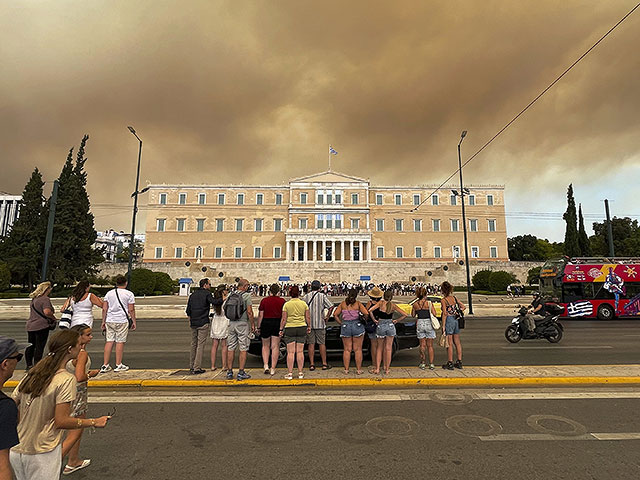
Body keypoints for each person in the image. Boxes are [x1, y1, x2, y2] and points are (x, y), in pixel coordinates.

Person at [10, 330, 109, 480]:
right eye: (78, 345)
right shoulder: (66, 379)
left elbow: (13, 404)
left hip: (17, 449)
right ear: (70, 349)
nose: (80, 348)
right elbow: (61, 421)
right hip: (43, 451)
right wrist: (94, 422)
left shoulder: (33, 373)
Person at [61, 324, 100, 475]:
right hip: (78, 392)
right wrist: (91, 374)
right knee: (77, 429)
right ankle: (65, 461)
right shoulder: (81, 353)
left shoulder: (68, 351)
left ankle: (73, 460)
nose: (91, 337)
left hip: (68, 390)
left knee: (72, 428)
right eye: (88, 335)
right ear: (80, 337)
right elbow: (80, 376)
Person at [0, 337, 29, 480]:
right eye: (18, 357)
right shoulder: (5, 406)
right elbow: (1, 465)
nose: (18, 362)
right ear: (5, 364)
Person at [100, 275, 136, 373]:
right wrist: (133, 321)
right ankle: (118, 364)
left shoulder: (109, 293)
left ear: (116, 283)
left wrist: (103, 321)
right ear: (126, 283)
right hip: (122, 320)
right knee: (120, 342)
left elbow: (104, 308)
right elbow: (131, 309)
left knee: (109, 341)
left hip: (110, 319)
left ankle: (105, 364)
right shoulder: (129, 294)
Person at [368, 290, 407, 375]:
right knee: (388, 348)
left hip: (381, 325)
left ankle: (377, 368)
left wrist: (374, 320)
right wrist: (397, 320)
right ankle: (387, 369)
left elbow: (370, 310)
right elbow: (405, 314)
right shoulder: (393, 305)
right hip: (390, 325)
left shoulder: (381, 303)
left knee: (379, 348)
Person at [333, 288, 369, 375]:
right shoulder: (358, 304)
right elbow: (366, 313)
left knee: (347, 349)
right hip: (357, 325)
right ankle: (359, 369)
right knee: (358, 349)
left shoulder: (343, 304)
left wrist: (341, 323)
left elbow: (335, 314)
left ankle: (346, 369)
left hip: (346, 326)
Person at [225, 278, 255, 381]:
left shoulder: (230, 295)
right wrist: (252, 324)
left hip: (232, 323)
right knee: (243, 348)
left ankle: (229, 371)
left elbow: (225, 307)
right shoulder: (246, 296)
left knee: (231, 347)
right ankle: (241, 372)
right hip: (242, 323)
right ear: (245, 286)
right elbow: (250, 312)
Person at [279, 286, 310, 379]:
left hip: (290, 328)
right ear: (299, 293)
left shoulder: (286, 305)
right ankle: (300, 372)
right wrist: (309, 326)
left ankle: (290, 373)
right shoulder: (304, 304)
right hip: (301, 326)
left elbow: (284, 319)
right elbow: (307, 317)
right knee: (300, 351)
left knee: (290, 352)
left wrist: (281, 329)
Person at [185, 278, 215, 374]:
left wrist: (191, 319)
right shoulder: (207, 294)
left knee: (193, 344)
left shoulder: (193, 295)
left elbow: (188, 310)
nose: (210, 286)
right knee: (200, 345)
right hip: (202, 322)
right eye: (209, 285)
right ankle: (197, 367)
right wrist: (223, 298)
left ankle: (191, 365)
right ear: (205, 285)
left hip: (194, 322)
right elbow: (213, 301)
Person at [303, 280, 334, 371]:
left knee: (311, 344)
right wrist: (327, 316)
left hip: (309, 324)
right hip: (320, 324)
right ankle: (324, 364)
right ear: (319, 287)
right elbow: (331, 306)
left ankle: (312, 364)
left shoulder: (306, 297)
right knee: (321, 344)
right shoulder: (322, 296)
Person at [26, 282, 56, 371]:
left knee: (31, 345)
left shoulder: (34, 299)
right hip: (41, 325)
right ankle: (37, 365)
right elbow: (47, 312)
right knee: (39, 346)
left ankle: (29, 365)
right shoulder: (45, 299)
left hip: (31, 325)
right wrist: (53, 318)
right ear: (47, 289)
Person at [258, 284, 285, 376]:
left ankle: (266, 365)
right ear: (278, 292)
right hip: (277, 322)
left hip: (266, 322)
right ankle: (273, 368)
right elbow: (283, 316)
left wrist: (258, 326)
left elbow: (260, 315)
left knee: (265, 345)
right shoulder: (282, 301)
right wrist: (282, 327)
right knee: (275, 346)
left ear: (269, 291)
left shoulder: (264, 301)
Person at [412, 286, 438, 370]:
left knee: (422, 345)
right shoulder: (429, 303)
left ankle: (423, 362)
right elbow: (434, 313)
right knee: (430, 345)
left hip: (420, 322)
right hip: (428, 323)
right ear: (425, 294)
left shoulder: (415, 304)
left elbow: (412, 315)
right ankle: (431, 363)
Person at [440, 281, 465, 370]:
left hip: (449, 320)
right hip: (456, 320)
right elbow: (463, 306)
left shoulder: (444, 300)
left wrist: (443, 326)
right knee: (457, 342)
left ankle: (450, 362)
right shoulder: (454, 298)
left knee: (449, 343)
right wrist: (456, 311)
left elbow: (444, 313)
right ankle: (459, 361)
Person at [210, 285, 229, 372]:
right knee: (224, 345)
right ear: (223, 291)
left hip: (216, 321)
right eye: (226, 290)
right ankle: (224, 365)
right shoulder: (226, 300)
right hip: (224, 321)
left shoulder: (215, 300)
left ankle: (213, 365)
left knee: (214, 345)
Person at [364, 286, 383, 373]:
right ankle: (381, 364)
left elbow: (367, 313)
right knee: (381, 346)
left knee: (374, 346)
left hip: (372, 324)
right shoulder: (382, 303)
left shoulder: (369, 303)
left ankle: (374, 364)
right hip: (381, 324)